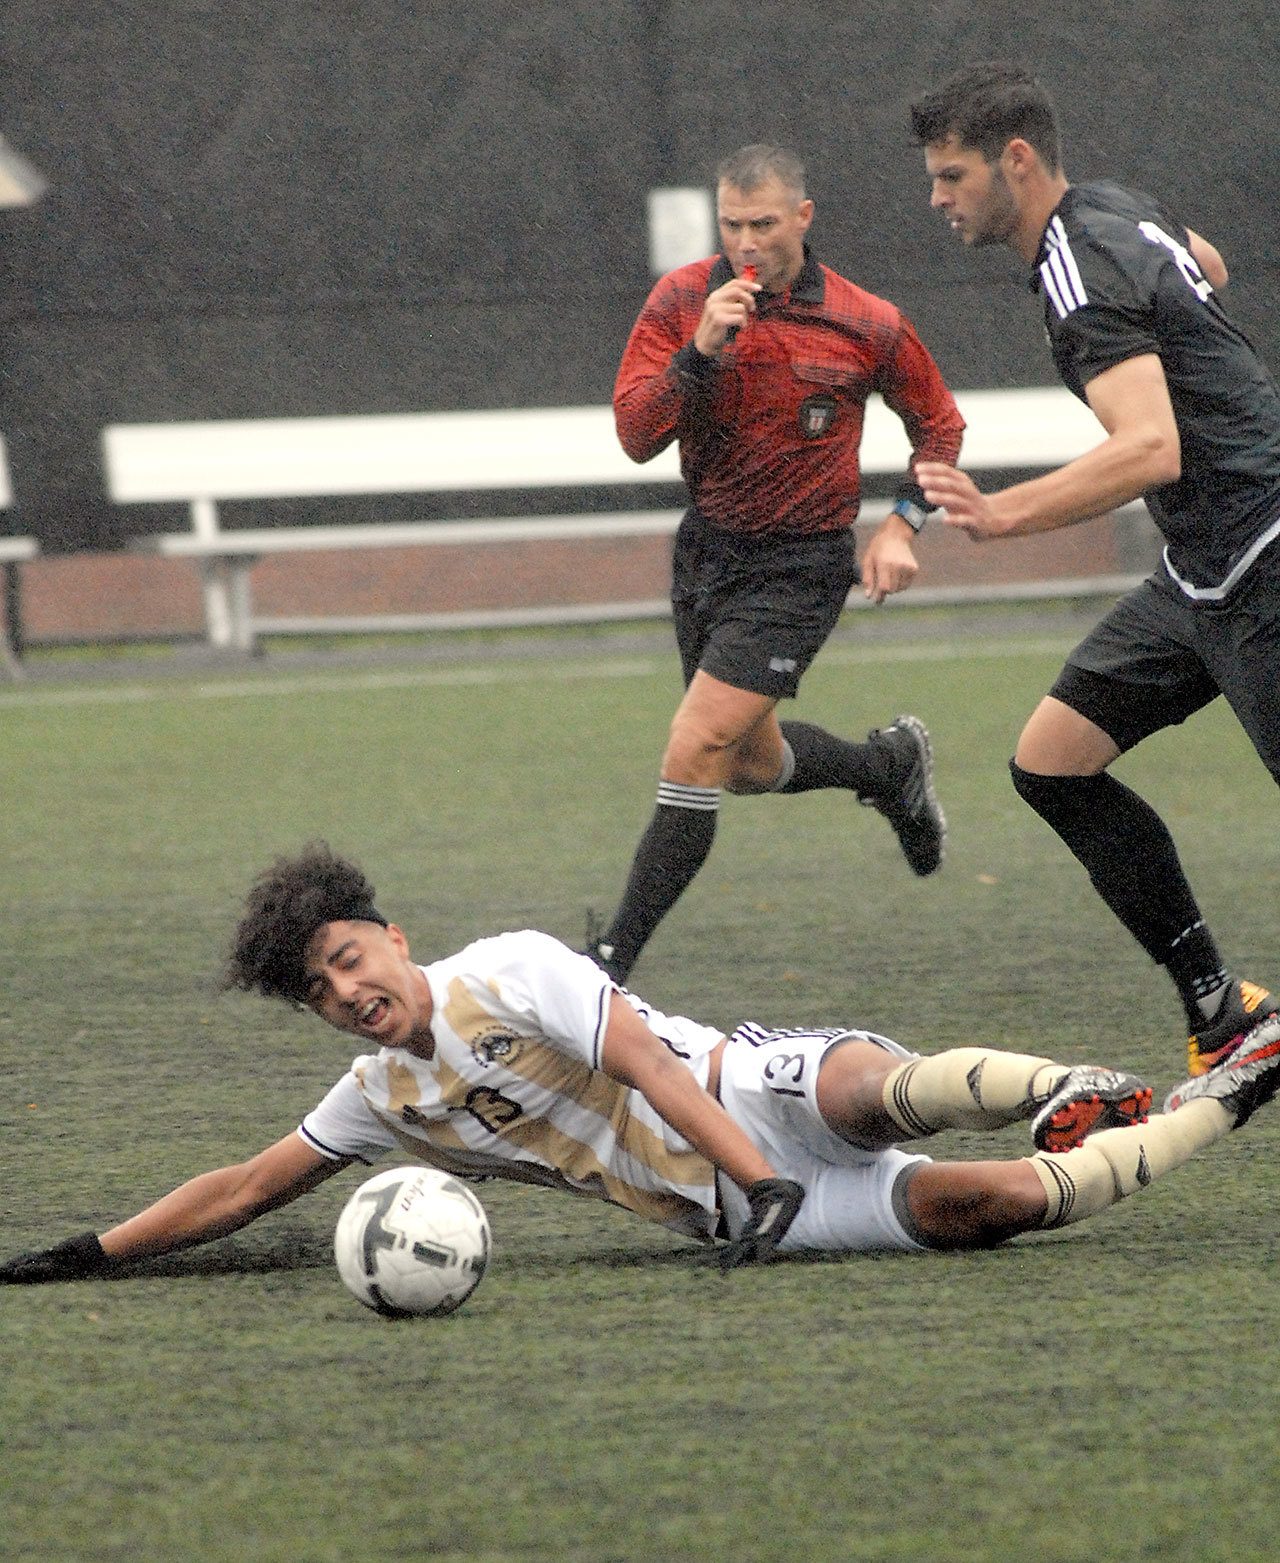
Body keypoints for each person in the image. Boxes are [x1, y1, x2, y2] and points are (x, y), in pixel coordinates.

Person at [5, 841, 1279, 1287]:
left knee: (867, 1088)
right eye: (320, 990)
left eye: (351, 957)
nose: (347, 993)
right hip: (735, 1210)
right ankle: (1229, 1094)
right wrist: (89, 1253)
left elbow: (651, 1072)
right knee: (992, 1205)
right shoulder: (380, 1101)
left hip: (741, 1090)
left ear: (393, 937)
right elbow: (243, 1186)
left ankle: (1062, 1084)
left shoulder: (506, 965)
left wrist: (761, 1176)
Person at [907, 62, 1280, 1077]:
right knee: (1051, 761)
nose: (936, 199)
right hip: (1203, 570)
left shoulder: (1076, 273)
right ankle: (1220, 1009)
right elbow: (1205, 260)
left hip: (1261, 552)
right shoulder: (1110, 209)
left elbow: (1148, 448)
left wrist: (1000, 513)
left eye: (950, 176)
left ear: (1012, 161)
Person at [582, 143, 965, 986]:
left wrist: (902, 524)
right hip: (708, 553)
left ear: (803, 217)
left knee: (694, 745)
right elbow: (637, 436)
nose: (745, 243)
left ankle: (607, 964)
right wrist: (699, 353)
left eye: (763, 223)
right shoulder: (684, 299)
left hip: (802, 565)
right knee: (749, 765)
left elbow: (940, 426)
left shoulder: (867, 321)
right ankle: (885, 767)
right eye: (730, 225)